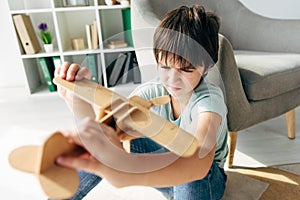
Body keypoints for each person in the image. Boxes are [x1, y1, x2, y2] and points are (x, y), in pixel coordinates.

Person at [55, 5, 228, 200]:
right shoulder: (151, 92)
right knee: (101, 139)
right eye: (165, 67)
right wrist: (77, 98)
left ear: (207, 66)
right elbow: (107, 131)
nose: (172, 79)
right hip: (165, 172)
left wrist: (126, 175)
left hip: (205, 179)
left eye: (186, 70)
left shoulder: (208, 102)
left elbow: (199, 161)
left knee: (188, 158)